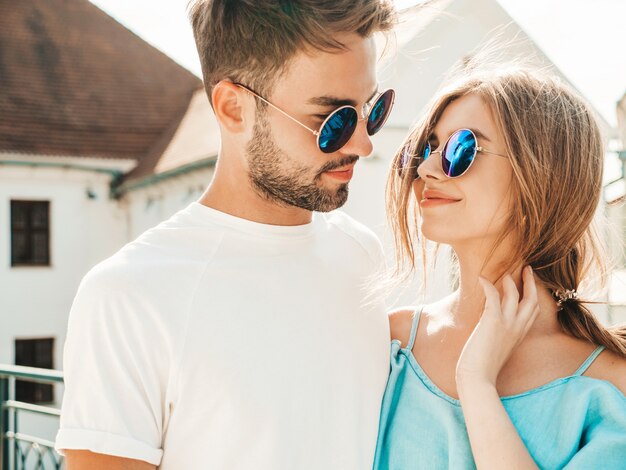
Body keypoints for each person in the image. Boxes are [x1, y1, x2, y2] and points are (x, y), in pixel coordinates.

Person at [55, 1, 398, 469]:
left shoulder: (362, 254)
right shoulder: (129, 296)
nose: (363, 144)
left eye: (371, 110)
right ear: (234, 108)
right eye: (332, 121)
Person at [374, 65, 626, 469]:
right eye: (427, 148)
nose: (425, 170)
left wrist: (476, 382)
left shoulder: (609, 387)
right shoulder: (387, 343)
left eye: (462, 149)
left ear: (543, 173)